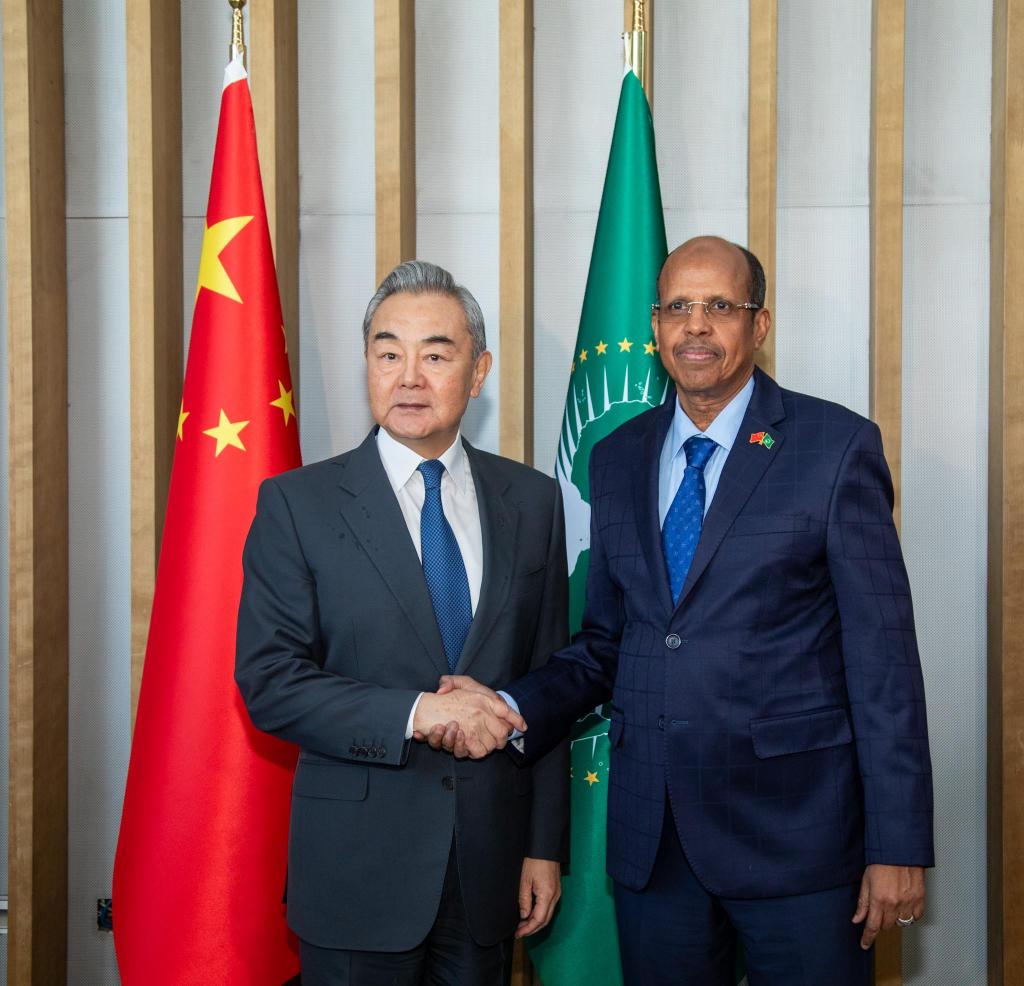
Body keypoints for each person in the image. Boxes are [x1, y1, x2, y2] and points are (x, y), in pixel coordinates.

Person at [430, 237, 934, 985]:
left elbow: (883, 661)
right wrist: (508, 703)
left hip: (799, 842)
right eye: (678, 308)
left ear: (758, 325)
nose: (696, 327)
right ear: (655, 324)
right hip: (655, 843)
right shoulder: (620, 455)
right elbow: (608, 641)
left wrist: (897, 844)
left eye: (719, 307)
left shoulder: (834, 448)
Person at [235, 260, 569, 986]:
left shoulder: (533, 502)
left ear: (477, 372)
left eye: (436, 354)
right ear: (367, 364)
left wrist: (544, 845)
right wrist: (418, 714)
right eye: (389, 353)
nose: (409, 377)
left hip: (489, 869)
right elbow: (269, 681)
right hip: (358, 873)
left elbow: (549, 682)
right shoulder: (298, 505)